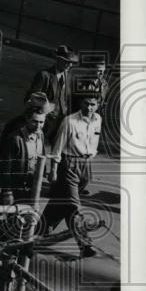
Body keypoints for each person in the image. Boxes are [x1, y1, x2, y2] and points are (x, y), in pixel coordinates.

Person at [40, 88, 102, 257]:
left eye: (93, 104)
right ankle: (85, 245)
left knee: (61, 201)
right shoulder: (70, 121)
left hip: (86, 166)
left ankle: (39, 232)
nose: (89, 108)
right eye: (86, 103)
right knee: (74, 207)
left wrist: (90, 160)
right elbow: (58, 146)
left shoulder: (98, 120)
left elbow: (94, 142)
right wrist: (53, 170)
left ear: (98, 105)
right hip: (69, 165)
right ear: (80, 103)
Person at [0, 101, 51, 201]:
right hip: (14, 188)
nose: (38, 126)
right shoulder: (15, 139)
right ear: (27, 119)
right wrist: (7, 192)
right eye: (34, 121)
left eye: (41, 122)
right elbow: (5, 167)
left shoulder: (40, 134)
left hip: (31, 187)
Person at [26, 44, 78, 142]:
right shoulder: (44, 75)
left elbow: (68, 99)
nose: (70, 65)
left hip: (62, 121)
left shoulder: (69, 77)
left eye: (71, 63)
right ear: (58, 60)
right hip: (45, 121)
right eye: (66, 62)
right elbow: (32, 99)